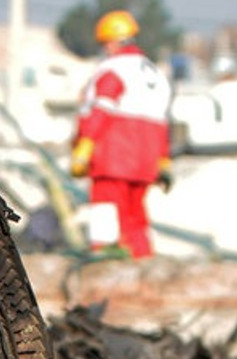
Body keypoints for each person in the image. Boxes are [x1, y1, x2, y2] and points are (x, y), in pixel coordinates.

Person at [70, 9, 172, 259]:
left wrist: (84, 147)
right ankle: (143, 263)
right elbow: (162, 122)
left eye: (105, 43)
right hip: (145, 161)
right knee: (135, 218)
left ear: (113, 41)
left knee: (105, 210)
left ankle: (103, 261)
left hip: (113, 157)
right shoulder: (156, 75)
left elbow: (100, 112)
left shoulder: (112, 69)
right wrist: (163, 160)